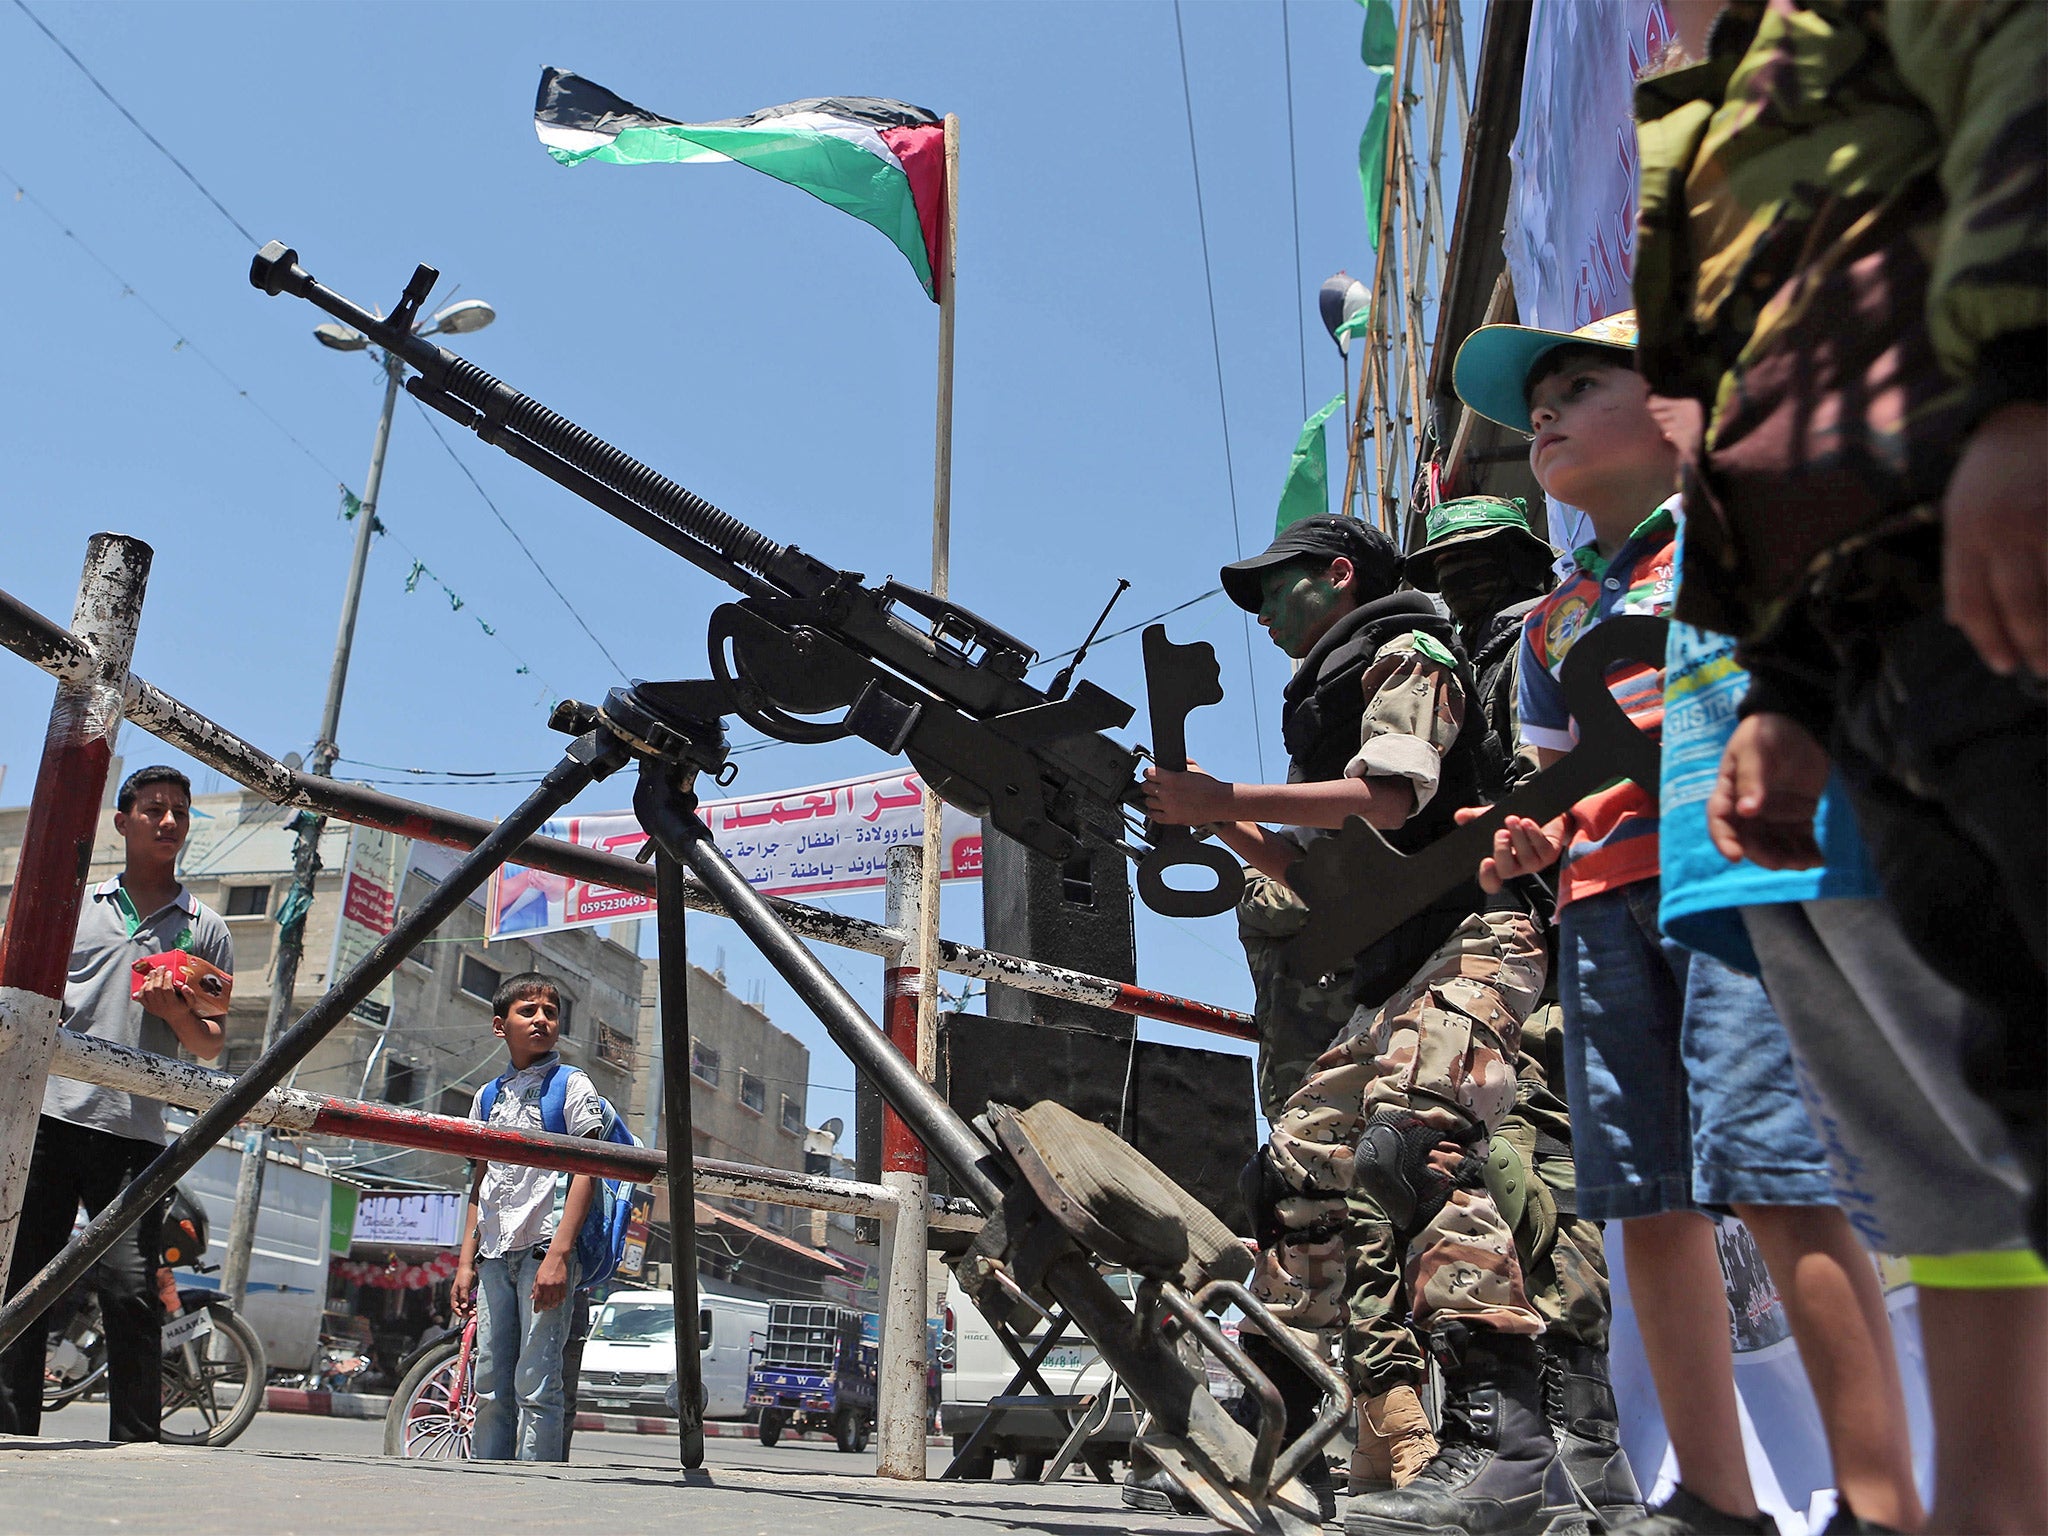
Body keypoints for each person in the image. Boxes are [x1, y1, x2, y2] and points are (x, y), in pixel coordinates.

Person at [1634, 7, 2048, 1528]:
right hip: (1866, 639)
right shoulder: (1719, 89)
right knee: (2007, 1111)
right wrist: (1790, 682)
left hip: (1991, 548)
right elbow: (1777, 388)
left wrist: (2024, 386)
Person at [1450, 312, 1924, 1536]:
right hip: (1603, 913)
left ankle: (1877, 1497)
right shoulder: (1551, 621)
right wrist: (1528, 836)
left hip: (1743, 892)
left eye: (1579, 384)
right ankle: (1710, 1495)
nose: (1543, 413)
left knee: (1772, 1176)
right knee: (1638, 1201)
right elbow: (1556, 781)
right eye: (1535, 399)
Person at [1142, 515, 1575, 1536]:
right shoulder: (1329, 694)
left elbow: (1390, 796)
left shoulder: (1407, 650)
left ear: (1338, 574)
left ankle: (1501, 1448)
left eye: (1273, 590)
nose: (1259, 616)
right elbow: (1310, 879)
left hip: (1477, 937)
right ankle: (1279, 1423)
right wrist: (1206, 818)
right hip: (1396, 962)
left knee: (1413, 1146)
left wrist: (1224, 793)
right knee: (1293, 1170)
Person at [0, 766, 234, 1443]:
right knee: (27, 1281)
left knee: (130, 1289)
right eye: (155, 809)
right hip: (47, 1120)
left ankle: (135, 1443)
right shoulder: (74, 906)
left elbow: (212, 1044)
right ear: (123, 820)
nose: (168, 822)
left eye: (180, 812)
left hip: (136, 1134)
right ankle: (13, 1433)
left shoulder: (205, 927)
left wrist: (176, 1013)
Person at [451, 972, 601, 1463]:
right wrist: (465, 1262)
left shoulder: (571, 1085)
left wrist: (558, 1256)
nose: (540, 1019)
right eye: (527, 1011)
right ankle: (488, 1485)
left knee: (537, 1384)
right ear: (501, 1025)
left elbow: (588, 1169)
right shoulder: (487, 1097)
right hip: (494, 1255)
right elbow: (480, 1181)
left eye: (550, 1012)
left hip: (544, 1253)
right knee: (491, 1382)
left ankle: (536, 1495)